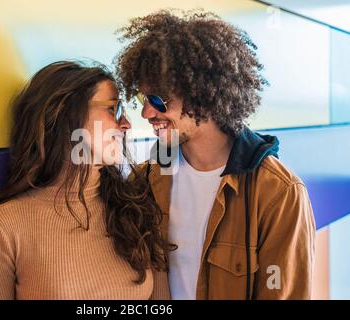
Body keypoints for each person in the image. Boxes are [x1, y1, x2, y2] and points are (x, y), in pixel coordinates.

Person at [116, 10, 316, 299]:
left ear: (205, 95)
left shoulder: (278, 193)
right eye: (143, 100)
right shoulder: (145, 180)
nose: (147, 113)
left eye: (158, 100)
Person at [0, 61, 172, 299]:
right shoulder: (2, 228)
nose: (126, 125)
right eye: (113, 109)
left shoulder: (139, 210)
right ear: (64, 114)